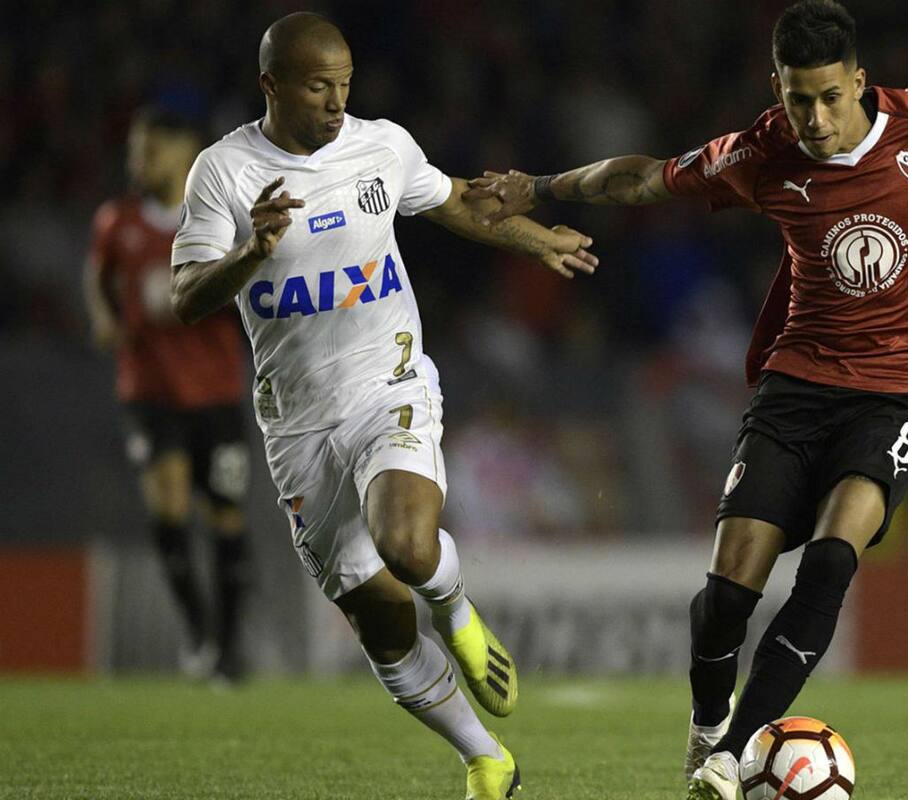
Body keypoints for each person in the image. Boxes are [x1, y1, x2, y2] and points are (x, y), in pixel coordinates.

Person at [464, 2, 908, 798]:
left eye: (828, 97)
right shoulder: (761, 153)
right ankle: (709, 726)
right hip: (797, 386)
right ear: (776, 89)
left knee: (829, 559)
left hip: (903, 392)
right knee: (726, 595)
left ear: (860, 81)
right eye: (796, 99)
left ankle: (734, 753)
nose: (814, 119)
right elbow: (643, 178)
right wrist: (537, 185)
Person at [169, 13, 598, 800]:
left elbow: (456, 201)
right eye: (316, 87)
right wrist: (251, 254)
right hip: (297, 425)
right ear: (271, 85)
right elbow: (187, 296)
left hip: (389, 384)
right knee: (381, 623)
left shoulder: (382, 146)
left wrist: (538, 239)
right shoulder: (223, 173)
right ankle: (484, 757)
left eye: (344, 85)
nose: (336, 103)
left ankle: (458, 609)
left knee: (407, 542)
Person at [84, 107, 253, 684]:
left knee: (226, 516)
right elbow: (97, 273)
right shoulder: (117, 220)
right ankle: (199, 632)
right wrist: (104, 314)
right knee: (170, 504)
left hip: (216, 391)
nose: (139, 161)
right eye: (135, 150)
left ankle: (228, 652)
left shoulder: (214, 219)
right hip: (149, 390)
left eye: (151, 150)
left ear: (186, 155)